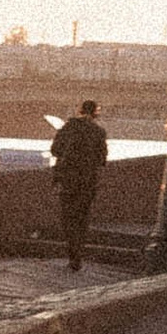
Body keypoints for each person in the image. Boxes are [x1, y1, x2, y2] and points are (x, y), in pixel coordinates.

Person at [46, 97, 109, 271]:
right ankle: (77, 255)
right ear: (96, 112)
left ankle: (72, 252)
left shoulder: (68, 127)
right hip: (88, 182)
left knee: (68, 216)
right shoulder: (99, 132)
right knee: (82, 217)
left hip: (68, 179)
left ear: (80, 110)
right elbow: (102, 159)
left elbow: (55, 150)